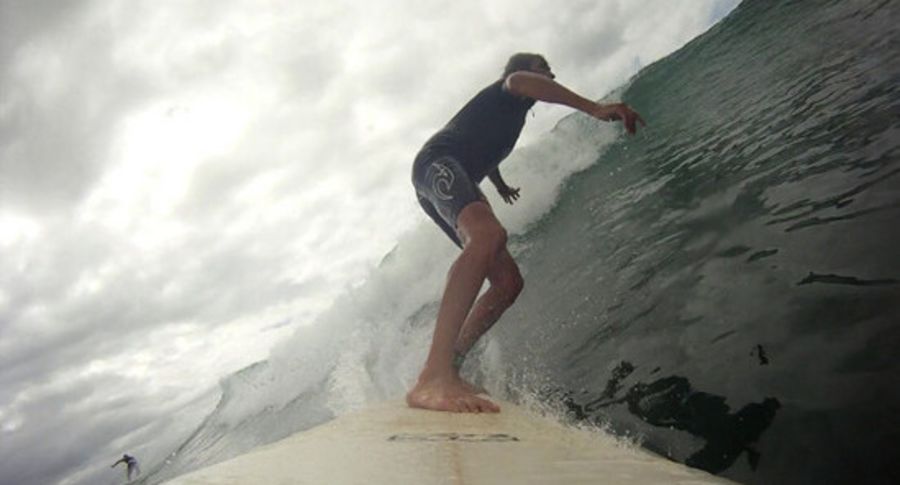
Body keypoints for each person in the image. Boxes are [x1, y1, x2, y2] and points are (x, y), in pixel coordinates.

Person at [408, 53, 645, 413]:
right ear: (521, 71)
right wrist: (594, 108)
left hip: (454, 173)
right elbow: (521, 80)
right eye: (542, 67)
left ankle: (451, 366)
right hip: (436, 163)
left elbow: (485, 151)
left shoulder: (509, 116)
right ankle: (433, 375)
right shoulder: (512, 84)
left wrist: (500, 184)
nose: (550, 72)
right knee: (487, 237)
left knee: (507, 282)